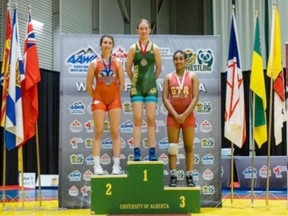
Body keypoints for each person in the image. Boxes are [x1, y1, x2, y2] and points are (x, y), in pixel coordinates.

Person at [86, 35, 125, 175]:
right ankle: (97, 166)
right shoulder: (94, 63)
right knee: (98, 132)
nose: (107, 45)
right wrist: (97, 97)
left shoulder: (118, 63)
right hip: (99, 100)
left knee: (115, 131)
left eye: (109, 43)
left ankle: (116, 166)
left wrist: (114, 95)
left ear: (112, 46)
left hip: (114, 100)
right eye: (105, 42)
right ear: (100, 45)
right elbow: (88, 85)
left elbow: (122, 84)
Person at [126, 19, 162, 161]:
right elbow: (128, 68)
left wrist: (152, 79)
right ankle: (136, 151)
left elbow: (158, 68)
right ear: (137, 30)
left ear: (150, 30)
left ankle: (152, 151)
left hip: (151, 88)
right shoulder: (133, 48)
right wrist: (134, 81)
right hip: (137, 88)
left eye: (146, 28)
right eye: (141, 28)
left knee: (151, 120)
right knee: (137, 120)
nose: (144, 31)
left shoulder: (156, 48)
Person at [162, 50, 199, 187]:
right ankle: (173, 176)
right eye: (176, 59)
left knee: (189, 147)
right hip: (173, 117)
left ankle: (189, 176)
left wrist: (184, 115)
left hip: (188, 116)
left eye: (181, 59)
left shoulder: (192, 76)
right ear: (173, 61)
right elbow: (165, 98)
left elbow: (195, 98)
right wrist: (176, 114)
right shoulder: (168, 77)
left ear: (185, 61)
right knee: (173, 147)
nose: (178, 61)